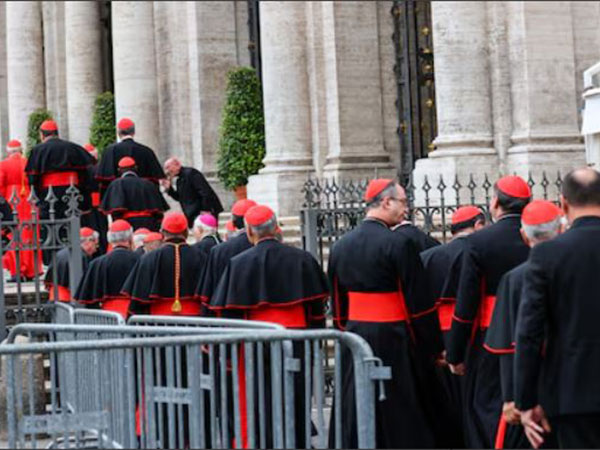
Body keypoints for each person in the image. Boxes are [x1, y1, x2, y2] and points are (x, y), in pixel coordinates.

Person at [328, 178, 443, 448]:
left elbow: (337, 301)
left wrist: (347, 333)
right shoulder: (399, 244)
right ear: (386, 201)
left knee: (357, 400)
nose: (406, 208)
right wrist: (432, 346)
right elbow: (418, 302)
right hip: (395, 337)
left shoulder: (341, 245)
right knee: (399, 405)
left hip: (355, 335)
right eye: (403, 201)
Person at [210, 204, 328, 448]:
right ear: (276, 228)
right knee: (295, 394)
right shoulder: (303, 259)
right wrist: (315, 340)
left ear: (250, 233)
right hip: (297, 339)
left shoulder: (238, 263)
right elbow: (317, 308)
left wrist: (229, 357)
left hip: (255, 342)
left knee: (258, 397)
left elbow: (229, 313)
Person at [515, 168, 600, 449]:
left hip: (572, 391)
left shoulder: (548, 254)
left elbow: (529, 333)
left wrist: (525, 401)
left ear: (563, 203)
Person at [446, 175, 531, 448]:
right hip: (538, 332)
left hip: (490, 340)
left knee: (487, 406)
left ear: (495, 204)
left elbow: (466, 305)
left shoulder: (479, 242)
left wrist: (456, 352)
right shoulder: (540, 235)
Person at [484, 200, 562, 449]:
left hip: (531, 378)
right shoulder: (574, 268)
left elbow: (509, 344)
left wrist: (512, 397)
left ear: (524, 236)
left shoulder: (514, 278)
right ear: (561, 230)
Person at [420, 205, 486, 448]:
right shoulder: (481, 252)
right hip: (474, 335)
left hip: (440, 338)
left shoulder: (428, 257)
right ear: (478, 224)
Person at [123, 212, 206, 316]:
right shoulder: (202, 257)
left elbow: (138, 301)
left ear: (162, 232)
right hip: (195, 323)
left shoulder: (148, 259)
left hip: (157, 324)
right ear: (186, 232)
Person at [25, 120, 95, 220]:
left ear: (42, 135)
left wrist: (37, 197)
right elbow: (87, 171)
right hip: (72, 191)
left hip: (48, 194)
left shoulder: (38, 150)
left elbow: (32, 176)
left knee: (51, 222)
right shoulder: (74, 147)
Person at [195, 199, 256, 306]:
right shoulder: (271, 248)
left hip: (230, 311)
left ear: (234, 221)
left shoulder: (219, 251)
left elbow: (209, 291)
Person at [74, 220, 140, 319]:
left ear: (109, 238)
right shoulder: (141, 260)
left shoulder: (97, 263)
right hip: (135, 315)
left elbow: (88, 299)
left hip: (108, 318)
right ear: (130, 237)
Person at [0, 139, 41, 282]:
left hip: (12, 201)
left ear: (9, 151)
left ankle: (17, 271)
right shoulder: (27, 162)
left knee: (14, 235)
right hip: (28, 200)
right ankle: (31, 270)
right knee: (29, 233)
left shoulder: (3, 164)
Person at [96, 117, 165, 195]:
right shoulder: (146, 151)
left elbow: (103, 183)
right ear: (133, 132)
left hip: (117, 197)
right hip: (140, 196)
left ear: (118, 133)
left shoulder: (109, 151)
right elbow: (154, 182)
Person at [100, 157, 169, 231]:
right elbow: (158, 212)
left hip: (126, 225)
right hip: (148, 224)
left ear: (119, 170)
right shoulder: (148, 184)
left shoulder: (116, 184)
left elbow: (115, 211)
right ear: (136, 168)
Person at [162, 157, 223, 228]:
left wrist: (206, 209)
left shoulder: (191, 173)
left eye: (168, 167)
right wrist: (169, 189)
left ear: (177, 164)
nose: (167, 171)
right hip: (193, 213)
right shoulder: (179, 180)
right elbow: (180, 198)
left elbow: (205, 192)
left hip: (203, 211)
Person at [45, 227, 99, 302]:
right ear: (88, 241)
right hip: (68, 300)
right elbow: (83, 285)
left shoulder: (60, 253)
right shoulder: (82, 256)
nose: (96, 249)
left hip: (53, 298)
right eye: (95, 244)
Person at [80, 143, 109, 255]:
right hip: (100, 203)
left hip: (86, 205)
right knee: (101, 229)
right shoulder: (100, 168)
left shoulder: (82, 170)